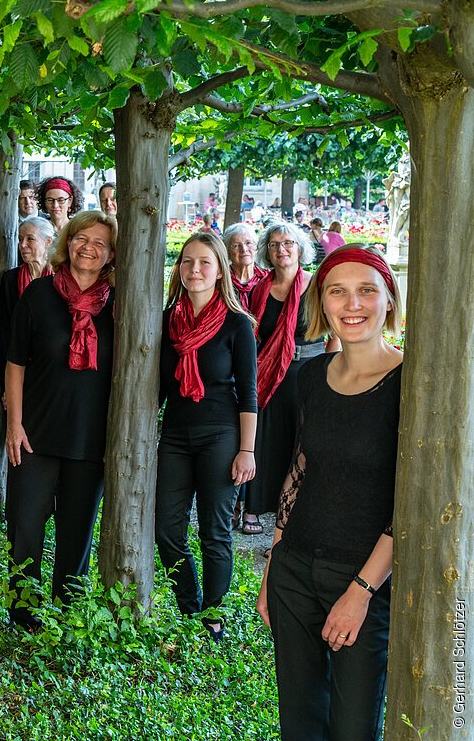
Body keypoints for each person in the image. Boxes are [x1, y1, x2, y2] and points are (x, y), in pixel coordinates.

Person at [257, 245, 402, 740]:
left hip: (365, 580)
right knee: (299, 723)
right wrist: (274, 565)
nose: (352, 304)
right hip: (294, 570)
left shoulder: (412, 385)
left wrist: (361, 592)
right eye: (338, 291)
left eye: (366, 291)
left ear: (389, 299)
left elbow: (410, 508)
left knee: (353, 728)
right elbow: (300, 472)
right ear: (322, 302)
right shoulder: (311, 376)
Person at [3, 210, 116, 629]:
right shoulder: (38, 294)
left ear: (111, 254)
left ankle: (66, 616)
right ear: (67, 242)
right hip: (35, 433)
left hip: (91, 438)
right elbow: (15, 363)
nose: (88, 248)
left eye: (100, 243)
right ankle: (24, 615)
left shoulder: (120, 304)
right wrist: (14, 425)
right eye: (81, 238)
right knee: (24, 528)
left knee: (76, 533)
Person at [155, 233, 258, 640]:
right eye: (187, 261)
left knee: (214, 532)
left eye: (204, 263)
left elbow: (248, 392)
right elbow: (156, 387)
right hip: (175, 435)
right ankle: (190, 606)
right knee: (167, 530)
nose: (194, 269)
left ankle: (213, 618)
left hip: (221, 435)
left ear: (219, 272)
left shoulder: (237, 324)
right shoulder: (166, 321)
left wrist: (247, 449)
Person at [241, 222, 335, 536]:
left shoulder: (316, 286)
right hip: (269, 373)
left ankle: (294, 512)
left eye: (288, 243)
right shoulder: (259, 289)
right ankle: (254, 506)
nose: (282, 249)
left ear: (299, 248)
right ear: (267, 252)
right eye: (274, 245)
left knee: (301, 442)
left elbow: (333, 334)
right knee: (265, 440)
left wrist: (329, 372)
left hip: (308, 372)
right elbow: (252, 334)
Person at [0, 216, 54, 387]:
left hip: (51, 366)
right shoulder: (10, 279)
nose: (22, 245)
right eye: (20, 239)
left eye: (30, 239)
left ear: (48, 242)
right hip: (18, 364)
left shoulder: (60, 278)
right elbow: (5, 332)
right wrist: (5, 384)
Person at [223, 223, 269, 313]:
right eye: (236, 245)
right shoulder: (221, 281)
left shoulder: (267, 280)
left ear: (256, 248)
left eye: (248, 243)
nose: (244, 249)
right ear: (227, 252)